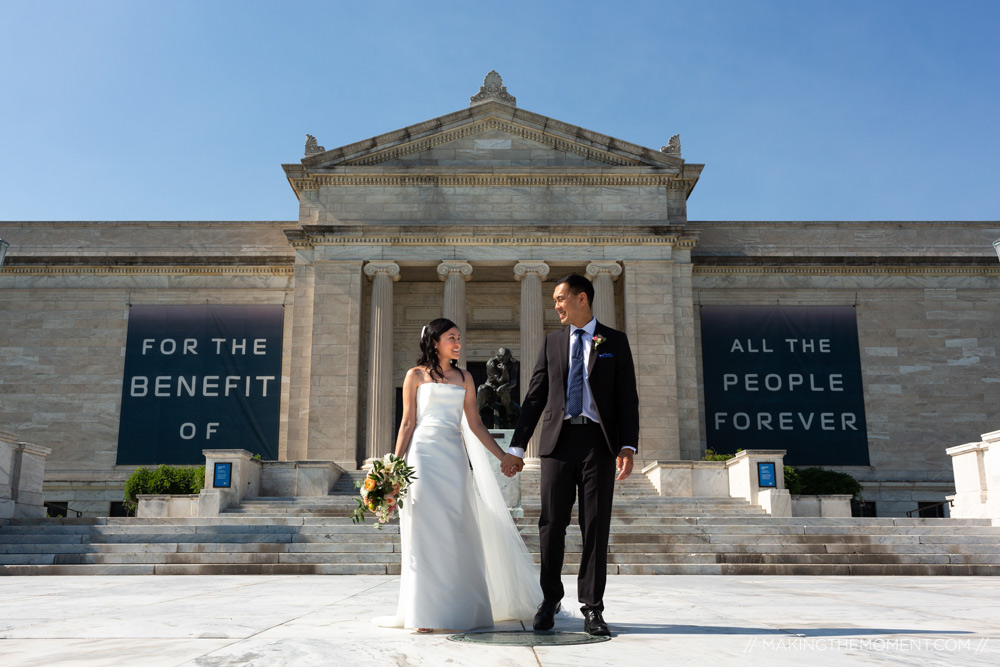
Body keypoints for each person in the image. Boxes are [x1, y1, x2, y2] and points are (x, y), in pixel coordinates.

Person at [382, 318, 542, 632]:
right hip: (422, 459)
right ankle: (425, 613)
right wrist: (392, 470)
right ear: (434, 341)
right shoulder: (414, 376)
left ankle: (460, 609)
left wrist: (504, 456)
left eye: (458, 338)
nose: (457, 343)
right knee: (425, 531)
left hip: (453, 458)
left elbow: (475, 424)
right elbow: (407, 424)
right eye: (451, 338)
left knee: (456, 528)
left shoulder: (466, 377)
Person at [502, 274, 639, 637]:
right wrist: (517, 447)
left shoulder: (613, 341)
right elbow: (534, 398)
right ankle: (550, 600)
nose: (556, 306)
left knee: (595, 524)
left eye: (561, 299)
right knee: (551, 525)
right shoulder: (552, 342)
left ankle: (593, 608)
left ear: (582, 298)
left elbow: (627, 398)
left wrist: (628, 445)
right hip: (557, 444)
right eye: (554, 301)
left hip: (599, 443)